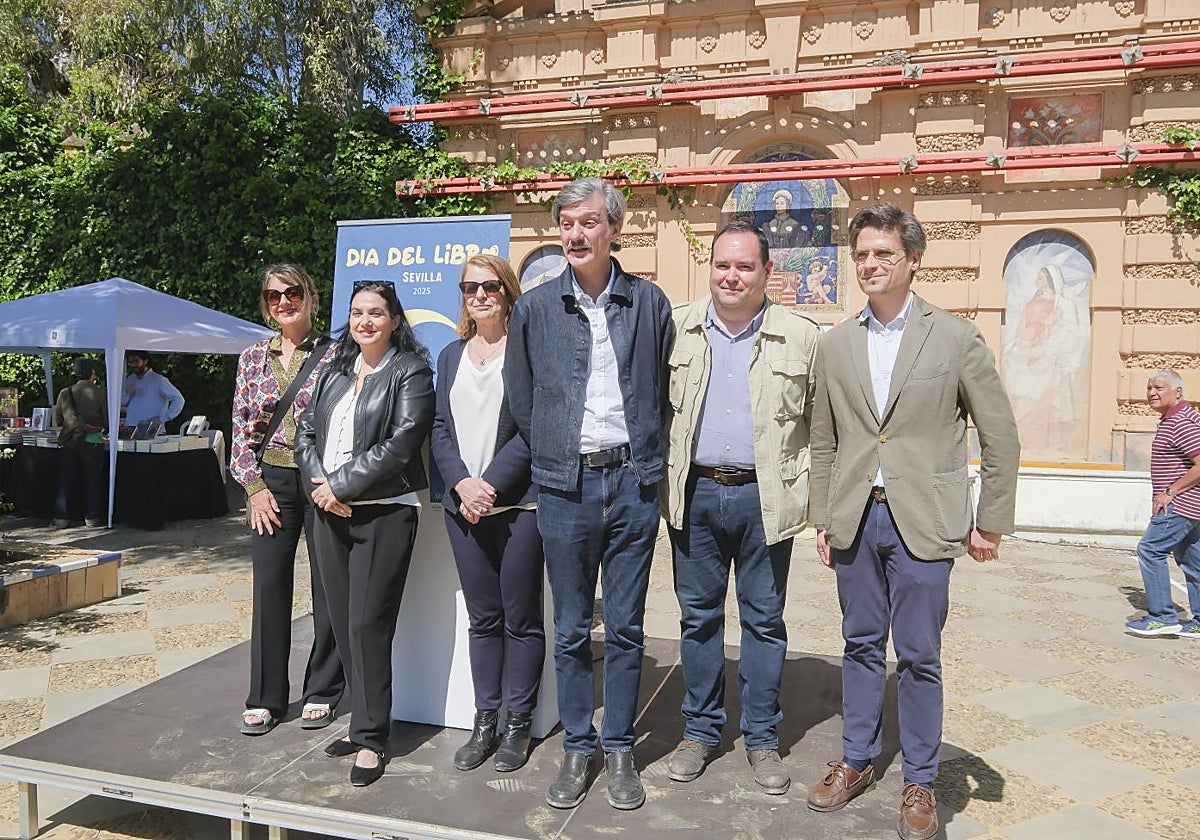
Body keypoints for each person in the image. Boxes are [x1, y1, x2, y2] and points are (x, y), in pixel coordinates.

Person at [806, 203, 1020, 840]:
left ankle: (921, 780)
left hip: (924, 521)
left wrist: (992, 520)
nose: (871, 265)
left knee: (920, 655)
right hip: (855, 519)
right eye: (863, 255)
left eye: (885, 255)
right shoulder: (836, 342)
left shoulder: (953, 337)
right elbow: (825, 438)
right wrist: (823, 514)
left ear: (912, 261)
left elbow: (999, 430)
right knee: (860, 644)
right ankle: (857, 758)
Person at [505, 177, 674, 811]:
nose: (574, 234)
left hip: (633, 483)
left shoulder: (649, 303)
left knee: (627, 627)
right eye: (567, 223)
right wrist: (553, 450)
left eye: (588, 223)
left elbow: (658, 387)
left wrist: (644, 464)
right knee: (573, 627)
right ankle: (580, 747)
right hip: (565, 487)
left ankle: (621, 747)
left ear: (614, 230)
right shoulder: (535, 309)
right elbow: (523, 401)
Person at [660, 220, 820, 793]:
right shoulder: (676, 329)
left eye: (745, 266)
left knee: (763, 620)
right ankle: (700, 732)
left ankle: (761, 738)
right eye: (722, 264)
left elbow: (820, 428)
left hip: (765, 498)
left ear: (766, 271)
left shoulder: (803, 337)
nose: (732, 275)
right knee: (698, 618)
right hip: (695, 494)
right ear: (710, 268)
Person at [296, 280, 435, 787]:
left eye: (376, 313)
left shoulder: (411, 372)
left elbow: (400, 446)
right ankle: (360, 722)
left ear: (395, 319)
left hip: (382, 515)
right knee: (338, 622)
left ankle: (373, 739)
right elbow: (305, 431)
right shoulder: (335, 371)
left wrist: (339, 486)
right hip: (328, 513)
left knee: (367, 627)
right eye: (357, 313)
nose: (365, 322)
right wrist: (321, 489)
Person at [431, 255, 545, 773]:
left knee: (521, 619)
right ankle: (486, 720)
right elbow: (437, 428)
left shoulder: (527, 351)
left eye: (489, 286)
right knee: (483, 619)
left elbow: (533, 428)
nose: (479, 295)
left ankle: (518, 725)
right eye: (470, 287)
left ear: (508, 290)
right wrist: (462, 483)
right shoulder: (451, 356)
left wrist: (492, 484)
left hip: (519, 504)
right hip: (464, 508)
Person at [230, 265, 344, 738]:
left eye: (293, 292)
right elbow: (239, 426)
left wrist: (340, 481)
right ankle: (265, 696)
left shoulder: (338, 353)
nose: (283, 302)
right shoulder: (254, 356)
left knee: (329, 587)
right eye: (273, 296)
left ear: (311, 297)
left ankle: (324, 687)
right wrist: (253, 488)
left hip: (321, 479)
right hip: (271, 481)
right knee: (270, 586)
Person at [1125, 370, 1200, 638]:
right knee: (1192, 560)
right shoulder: (1175, 418)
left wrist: (1170, 491)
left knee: (1149, 549)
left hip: (1179, 505)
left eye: (1159, 387)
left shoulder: (1181, 421)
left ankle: (1162, 617)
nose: (1151, 393)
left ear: (1177, 392)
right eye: (1148, 388)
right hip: (1189, 505)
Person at [51, 358, 107, 528]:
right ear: (93, 373)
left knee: (65, 480)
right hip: (92, 441)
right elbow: (106, 421)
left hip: (68, 441)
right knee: (93, 481)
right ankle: (92, 517)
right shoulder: (100, 393)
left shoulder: (64, 393)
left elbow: (57, 420)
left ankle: (61, 518)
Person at [122, 350, 184, 431]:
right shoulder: (130, 379)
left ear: (145, 361)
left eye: (136, 361)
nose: (133, 365)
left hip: (152, 431)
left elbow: (179, 399)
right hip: (131, 429)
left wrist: (163, 418)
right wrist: (127, 393)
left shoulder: (158, 380)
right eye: (130, 362)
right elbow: (121, 403)